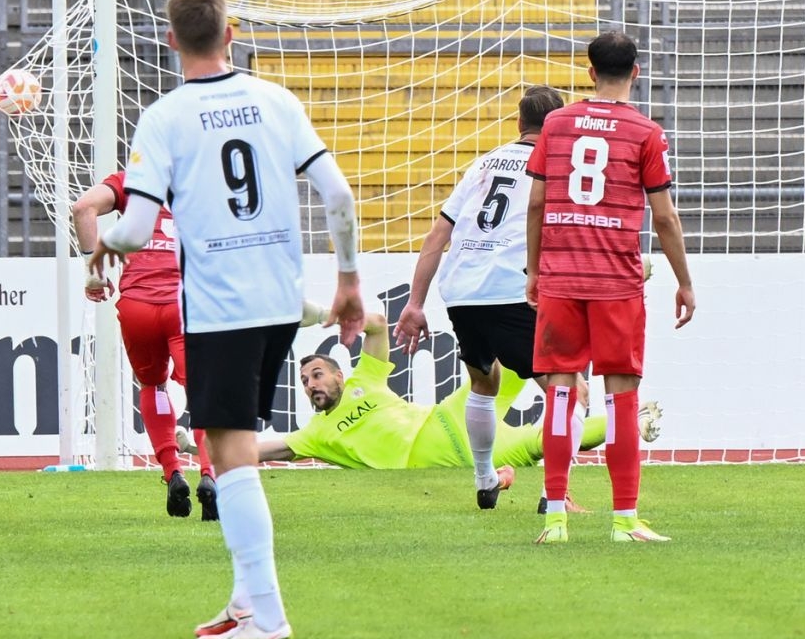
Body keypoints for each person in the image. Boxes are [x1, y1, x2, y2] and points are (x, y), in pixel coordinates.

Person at [91, 0, 363, 639]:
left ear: (171, 40)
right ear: (231, 34)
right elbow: (339, 194)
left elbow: (134, 228)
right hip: (277, 302)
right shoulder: (277, 101)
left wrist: (100, 242)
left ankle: (267, 613)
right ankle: (244, 600)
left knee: (233, 455)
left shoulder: (165, 118)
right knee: (222, 442)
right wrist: (349, 278)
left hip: (220, 306)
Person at [526, 30, 696, 545]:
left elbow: (535, 203)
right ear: (636, 73)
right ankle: (624, 520)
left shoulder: (555, 124)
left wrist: (534, 271)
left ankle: (555, 518)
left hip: (561, 276)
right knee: (621, 395)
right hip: (616, 281)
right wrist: (685, 282)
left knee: (559, 393)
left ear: (589, 71)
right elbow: (664, 217)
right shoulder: (646, 133)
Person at [396, 84, 565, 509]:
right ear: (557, 127)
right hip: (511, 288)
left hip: (463, 291)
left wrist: (415, 303)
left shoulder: (483, 165)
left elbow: (439, 234)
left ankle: (485, 479)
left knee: (484, 381)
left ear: (518, 123)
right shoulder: (553, 169)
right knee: (567, 389)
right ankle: (555, 495)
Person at [257, 313, 645, 480]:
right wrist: (200, 448)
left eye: (317, 374)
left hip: (448, 417)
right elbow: (259, 451)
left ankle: (579, 320)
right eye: (305, 381)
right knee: (537, 442)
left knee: (515, 356)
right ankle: (635, 421)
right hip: (438, 461)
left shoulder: (365, 380)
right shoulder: (314, 434)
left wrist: (330, 311)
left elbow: (377, 326)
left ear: (339, 375)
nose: (311, 384)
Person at [71, 170, 216, 519]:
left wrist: (94, 273)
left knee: (153, 384)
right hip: (185, 302)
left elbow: (82, 208)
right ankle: (211, 475)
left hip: (137, 303)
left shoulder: (132, 179)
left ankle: (172, 472)